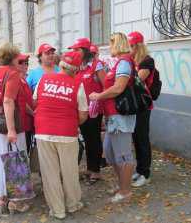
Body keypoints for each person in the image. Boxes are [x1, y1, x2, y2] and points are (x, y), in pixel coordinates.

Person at [33, 51, 88, 219]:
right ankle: (72, 204)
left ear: (61, 64)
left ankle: (57, 210)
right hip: (66, 133)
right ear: (76, 69)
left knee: (50, 173)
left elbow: (35, 101)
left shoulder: (44, 79)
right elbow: (83, 114)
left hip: (43, 131)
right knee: (69, 170)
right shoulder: (77, 84)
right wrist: (71, 122)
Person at [89, 32, 136, 203]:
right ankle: (122, 184)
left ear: (117, 44)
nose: (109, 47)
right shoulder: (120, 63)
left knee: (123, 155)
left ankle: (125, 191)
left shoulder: (124, 62)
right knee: (109, 152)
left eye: (111, 44)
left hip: (120, 116)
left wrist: (98, 96)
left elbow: (118, 88)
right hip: (113, 116)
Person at [0, 43, 31, 214]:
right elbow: (8, 101)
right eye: (18, 57)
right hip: (11, 125)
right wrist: (11, 129)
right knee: (14, 159)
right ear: (13, 58)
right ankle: (15, 201)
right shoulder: (12, 74)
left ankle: (2, 199)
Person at [69, 38, 106, 184]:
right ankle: (90, 169)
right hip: (81, 110)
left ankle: (96, 171)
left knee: (94, 139)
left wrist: (105, 111)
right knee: (87, 139)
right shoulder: (78, 67)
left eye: (76, 50)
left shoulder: (97, 66)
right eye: (73, 50)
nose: (74, 52)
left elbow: (106, 87)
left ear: (85, 50)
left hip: (94, 111)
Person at [128, 31, 154, 187]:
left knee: (142, 137)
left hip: (143, 105)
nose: (129, 49)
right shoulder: (131, 61)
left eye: (131, 46)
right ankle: (140, 168)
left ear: (138, 46)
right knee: (136, 137)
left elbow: (137, 80)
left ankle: (146, 173)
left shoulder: (147, 61)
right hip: (133, 104)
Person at [16, 54, 34, 153]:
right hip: (22, 123)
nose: (25, 66)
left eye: (26, 63)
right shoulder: (17, 80)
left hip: (28, 123)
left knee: (26, 150)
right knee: (22, 152)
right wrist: (33, 113)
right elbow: (22, 102)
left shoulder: (23, 79)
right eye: (21, 63)